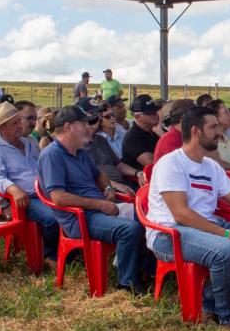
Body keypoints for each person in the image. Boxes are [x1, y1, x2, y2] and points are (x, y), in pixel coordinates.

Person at [147, 106, 230, 326]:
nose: (219, 132)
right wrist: (227, 234)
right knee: (227, 250)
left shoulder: (210, 165)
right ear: (196, 131)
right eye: (213, 127)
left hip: (204, 226)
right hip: (168, 233)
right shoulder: (171, 163)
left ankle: (209, 300)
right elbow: (181, 214)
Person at [38, 105, 148, 294]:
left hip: (95, 211)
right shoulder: (52, 155)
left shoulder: (80, 152)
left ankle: (143, 269)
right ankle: (127, 283)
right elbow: (58, 197)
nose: (90, 128)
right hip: (78, 218)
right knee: (130, 229)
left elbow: (99, 176)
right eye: (83, 124)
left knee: (146, 215)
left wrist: (107, 188)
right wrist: (100, 204)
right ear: (67, 127)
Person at [0, 102, 59, 265]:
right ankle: (50, 256)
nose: (20, 126)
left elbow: (41, 165)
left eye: (19, 120)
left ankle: (69, 251)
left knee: (71, 208)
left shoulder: (29, 142)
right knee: (53, 217)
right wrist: (13, 189)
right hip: (26, 199)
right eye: (14, 123)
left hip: (44, 191)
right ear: (3, 127)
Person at [87, 105, 145, 190]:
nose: (94, 122)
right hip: (108, 190)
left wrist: (138, 173)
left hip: (124, 183)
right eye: (89, 120)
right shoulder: (77, 147)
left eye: (95, 118)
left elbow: (119, 165)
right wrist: (114, 185)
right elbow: (89, 178)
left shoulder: (100, 139)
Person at [122, 94, 161, 170]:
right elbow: (153, 163)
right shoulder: (132, 138)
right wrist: (163, 135)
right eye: (150, 112)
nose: (155, 114)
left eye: (156, 110)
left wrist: (161, 132)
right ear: (138, 117)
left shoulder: (155, 130)